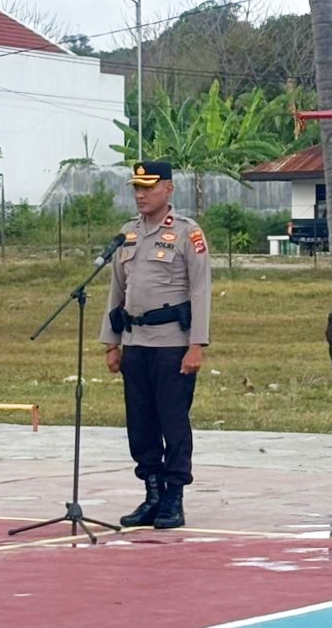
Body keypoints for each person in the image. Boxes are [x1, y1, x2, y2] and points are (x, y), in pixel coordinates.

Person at [99, 161, 211, 530]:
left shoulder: (186, 233)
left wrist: (197, 344)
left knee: (172, 422)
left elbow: (200, 291)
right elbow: (116, 289)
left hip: (172, 345)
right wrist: (110, 343)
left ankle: (173, 498)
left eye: (148, 187)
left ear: (169, 190)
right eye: (136, 188)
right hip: (135, 343)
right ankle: (151, 494)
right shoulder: (126, 235)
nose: (140, 194)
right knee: (141, 423)